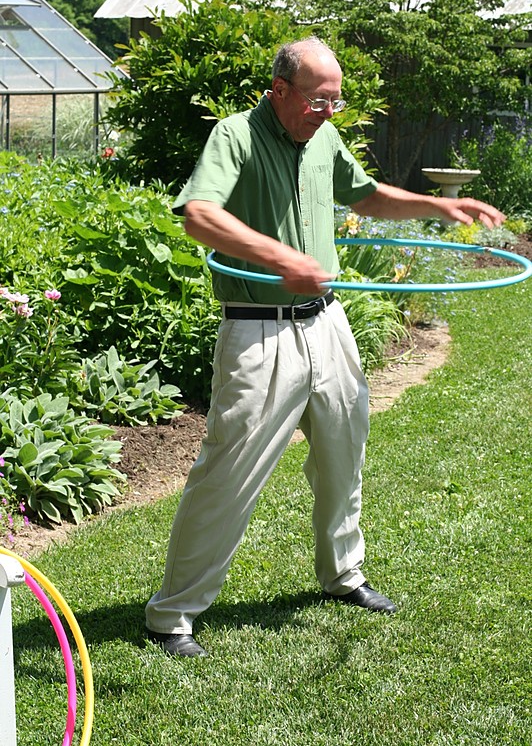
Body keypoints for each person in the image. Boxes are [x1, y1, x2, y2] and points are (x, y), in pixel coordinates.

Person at [145, 37, 505, 657]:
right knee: (228, 474)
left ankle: (343, 576)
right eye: (318, 99)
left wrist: (438, 206)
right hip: (259, 330)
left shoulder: (325, 139)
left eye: (336, 101)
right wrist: (279, 255)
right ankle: (172, 614)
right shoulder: (236, 135)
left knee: (344, 452)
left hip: (327, 323)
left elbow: (365, 196)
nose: (329, 112)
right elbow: (199, 215)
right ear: (279, 90)